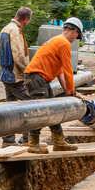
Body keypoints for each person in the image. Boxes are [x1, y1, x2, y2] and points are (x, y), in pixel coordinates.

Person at [20, 17, 84, 154]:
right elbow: (68, 70)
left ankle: (59, 142)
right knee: (40, 111)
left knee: (53, 110)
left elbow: (60, 72)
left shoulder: (57, 41)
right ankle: (33, 144)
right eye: (77, 35)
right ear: (73, 30)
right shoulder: (64, 43)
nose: (76, 39)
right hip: (36, 78)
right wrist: (71, 91)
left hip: (39, 79)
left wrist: (69, 91)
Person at [0, 6, 32, 145]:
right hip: (15, 77)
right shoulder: (15, 31)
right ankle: (28, 138)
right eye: (28, 20)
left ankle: (8, 139)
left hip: (6, 75)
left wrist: (4, 65)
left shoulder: (5, 29)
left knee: (9, 108)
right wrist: (28, 71)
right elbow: (19, 55)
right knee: (32, 104)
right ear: (25, 19)